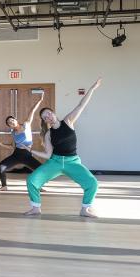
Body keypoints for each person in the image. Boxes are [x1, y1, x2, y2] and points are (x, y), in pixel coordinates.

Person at [24, 78, 102, 217]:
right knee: (32, 180)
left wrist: (92, 89)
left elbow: (81, 105)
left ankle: (85, 209)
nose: (47, 116)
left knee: (92, 183)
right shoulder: (48, 134)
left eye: (48, 113)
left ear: (53, 113)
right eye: (44, 117)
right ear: (45, 121)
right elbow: (48, 155)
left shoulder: (68, 121)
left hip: (73, 162)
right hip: (55, 162)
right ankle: (36, 208)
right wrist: (31, 150)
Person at [0, 92, 44, 191]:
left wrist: (39, 100)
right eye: (9, 123)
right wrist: (1, 144)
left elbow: (32, 111)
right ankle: (4, 186)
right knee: (0, 167)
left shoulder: (26, 125)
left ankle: (39, 186)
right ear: (9, 126)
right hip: (17, 154)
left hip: (27, 155)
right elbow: (13, 146)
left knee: (41, 169)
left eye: (12, 120)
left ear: (16, 120)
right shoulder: (13, 133)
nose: (11, 122)